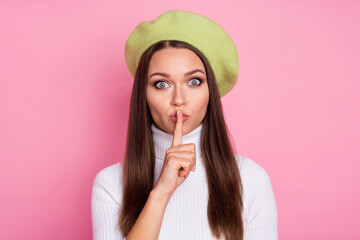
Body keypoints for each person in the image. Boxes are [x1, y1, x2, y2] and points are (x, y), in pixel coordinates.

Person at [91, 10, 278, 240]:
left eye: (194, 81)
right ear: (144, 94)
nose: (179, 99)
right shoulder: (110, 185)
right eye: (161, 84)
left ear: (211, 92)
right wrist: (161, 193)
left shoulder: (250, 180)